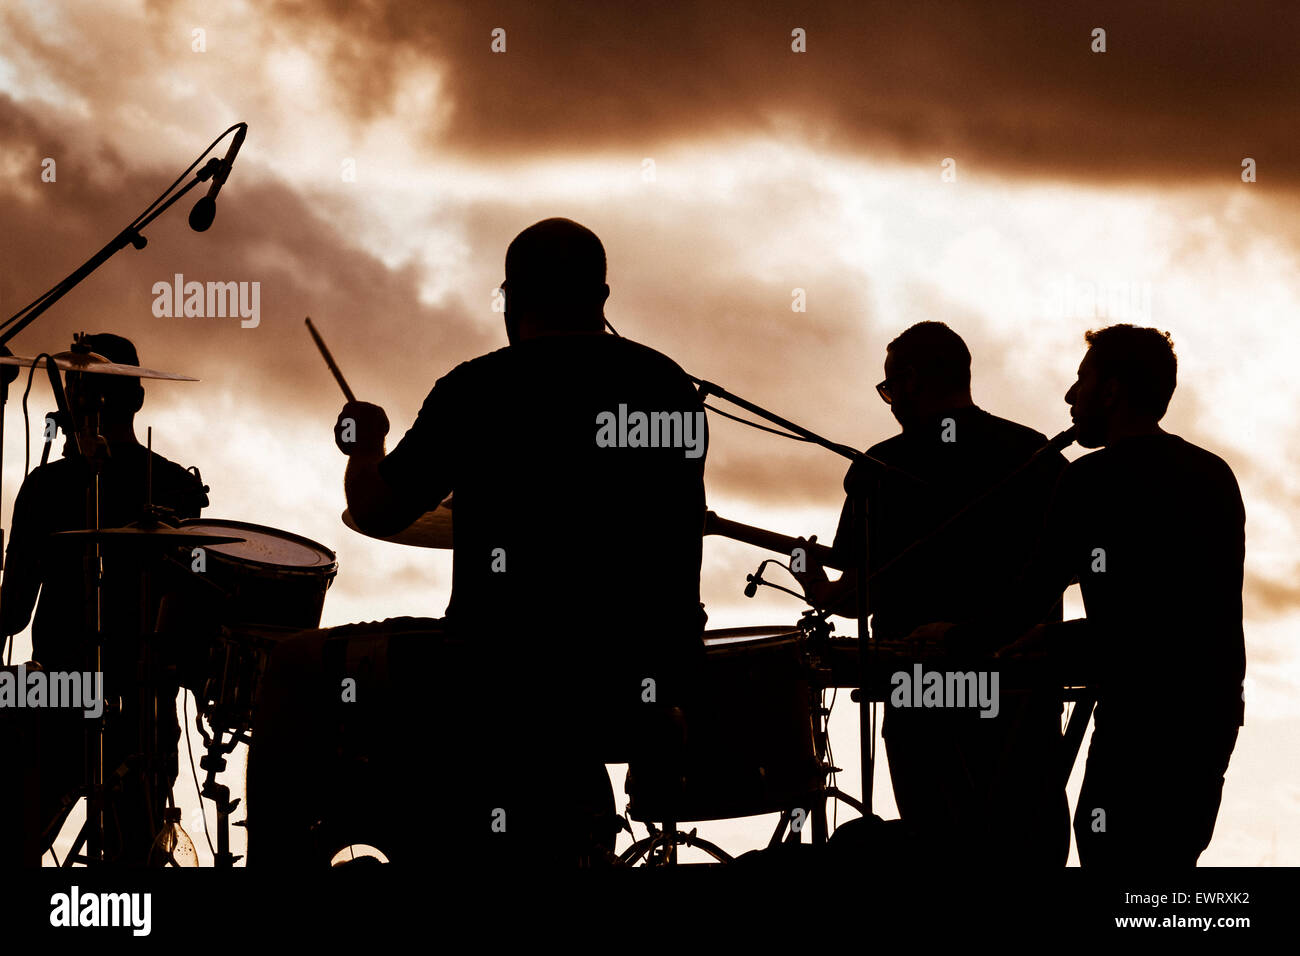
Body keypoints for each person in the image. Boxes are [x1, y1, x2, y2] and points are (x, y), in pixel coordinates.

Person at [249, 218, 708, 867]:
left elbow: (376, 511)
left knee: (292, 668)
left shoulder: (477, 388)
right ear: (602, 300)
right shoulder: (670, 389)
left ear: (510, 300)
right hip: (649, 677)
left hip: (501, 675)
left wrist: (365, 445)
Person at [795, 321, 1070, 866]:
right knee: (1026, 834)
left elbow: (854, 598)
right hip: (1019, 684)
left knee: (937, 838)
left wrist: (811, 580)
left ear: (913, 380)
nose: (889, 402)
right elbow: (1065, 566)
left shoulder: (880, 467)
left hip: (919, 685)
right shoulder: (1036, 455)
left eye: (889, 388)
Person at [990, 325, 1245, 866]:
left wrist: (959, 637)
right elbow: (1177, 614)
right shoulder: (1213, 475)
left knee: (1105, 842)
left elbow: (1035, 590)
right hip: (1209, 715)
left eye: (1082, 379)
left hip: (1139, 715)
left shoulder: (1091, 479)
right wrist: (1062, 636)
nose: (1069, 395)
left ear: (1111, 391)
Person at [1, 333, 209, 865]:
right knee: (131, 866)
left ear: (68, 405)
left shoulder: (45, 487)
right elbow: (192, 615)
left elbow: (11, 614)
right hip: (145, 705)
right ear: (138, 398)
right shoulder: (176, 489)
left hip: (55, 694)